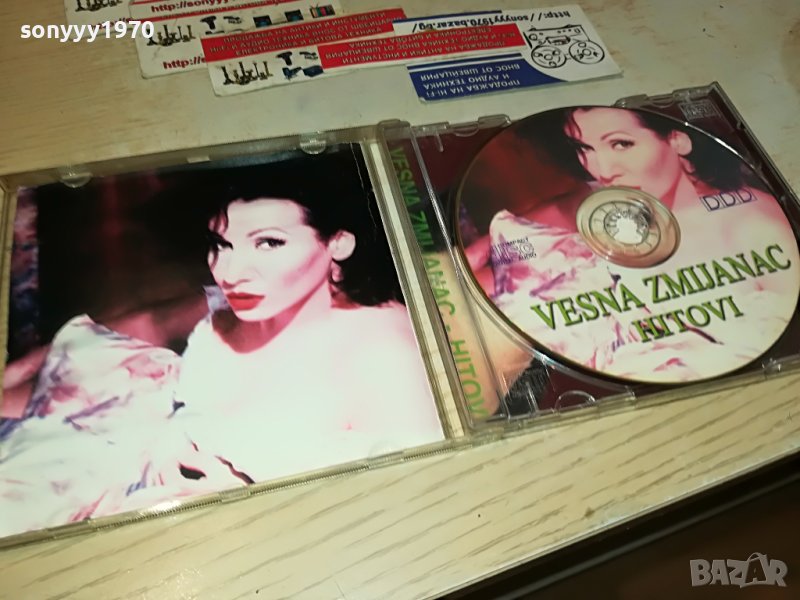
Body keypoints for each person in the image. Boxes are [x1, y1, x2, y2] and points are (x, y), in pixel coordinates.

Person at [0, 148, 443, 537]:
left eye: (268, 243)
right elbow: (164, 358)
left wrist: (253, 503)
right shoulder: (224, 321)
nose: (229, 272)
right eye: (220, 245)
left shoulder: (385, 352)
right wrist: (168, 450)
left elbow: (415, 511)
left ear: (338, 243)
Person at [462, 107, 799, 383]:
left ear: (677, 140)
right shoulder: (603, 196)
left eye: (621, 144)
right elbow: (507, 241)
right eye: (584, 150)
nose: (602, 170)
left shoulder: (753, 224)